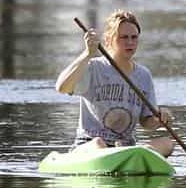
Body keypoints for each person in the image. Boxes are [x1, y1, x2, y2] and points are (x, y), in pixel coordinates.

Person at [54, 9, 175, 157]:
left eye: (134, 37)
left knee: (167, 143)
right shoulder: (93, 67)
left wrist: (160, 118)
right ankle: (126, 157)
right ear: (108, 40)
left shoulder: (144, 75)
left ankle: (133, 156)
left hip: (126, 146)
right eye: (124, 37)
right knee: (99, 143)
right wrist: (87, 53)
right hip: (90, 144)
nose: (130, 42)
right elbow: (61, 87)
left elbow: (146, 122)